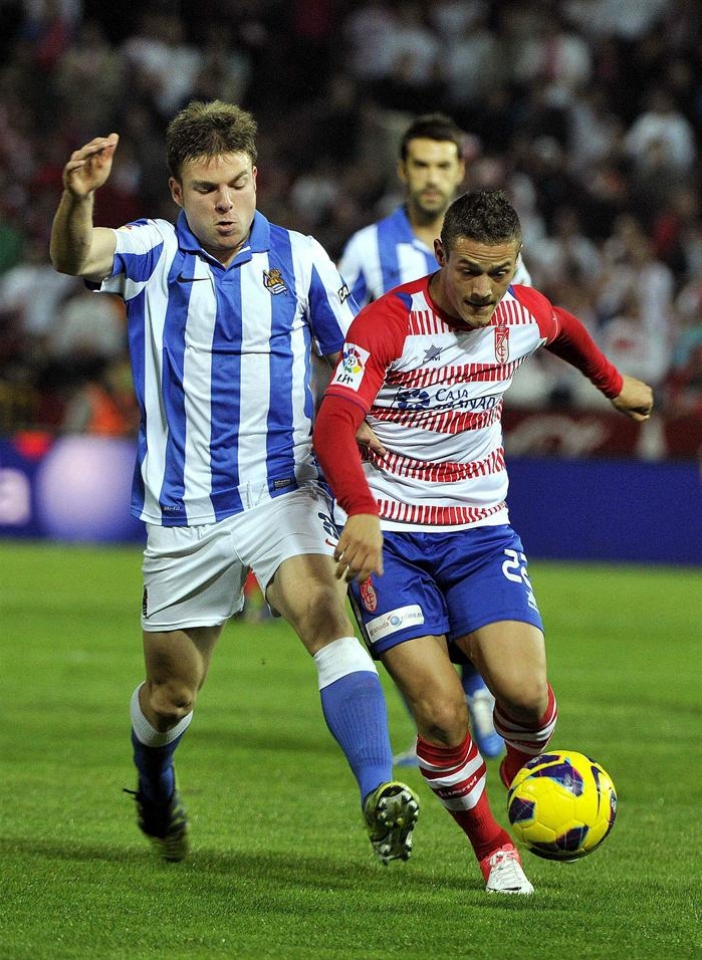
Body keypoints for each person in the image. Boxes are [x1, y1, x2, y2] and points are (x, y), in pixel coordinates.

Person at [49, 100, 419, 866]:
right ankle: (154, 780)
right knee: (171, 697)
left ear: (259, 178)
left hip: (283, 487)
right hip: (182, 511)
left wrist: (364, 419)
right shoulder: (152, 252)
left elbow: (352, 361)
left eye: (240, 184)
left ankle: (378, 793)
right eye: (209, 189)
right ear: (178, 194)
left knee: (324, 613)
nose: (227, 203)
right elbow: (76, 256)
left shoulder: (303, 259)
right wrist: (78, 197)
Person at [314, 189, 653, 894]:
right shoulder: (387, 325)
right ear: (441, 255)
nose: (485, 289)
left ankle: (516, 774)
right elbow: (334, 423)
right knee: (438, 713)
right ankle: (495, 847)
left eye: (501, 272)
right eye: (469, 270)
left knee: (526, 698)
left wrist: (615, 385)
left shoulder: (519, 309)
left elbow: (564, 329)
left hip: (478, 533)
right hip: (394, 545)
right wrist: (361, 511)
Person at [339, 112, 522, 762]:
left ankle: (471, 697)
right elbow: (334, 337)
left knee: (472, 585)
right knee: (409, 590)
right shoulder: (366, 249)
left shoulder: (494, 249)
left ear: (460, 172)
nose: (432, 177)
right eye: (421, 164)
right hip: (390, 462)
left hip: (468, 462)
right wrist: (353, 411)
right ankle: (455, 707)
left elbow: (520, 323)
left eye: (445, 165)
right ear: (403, 170)